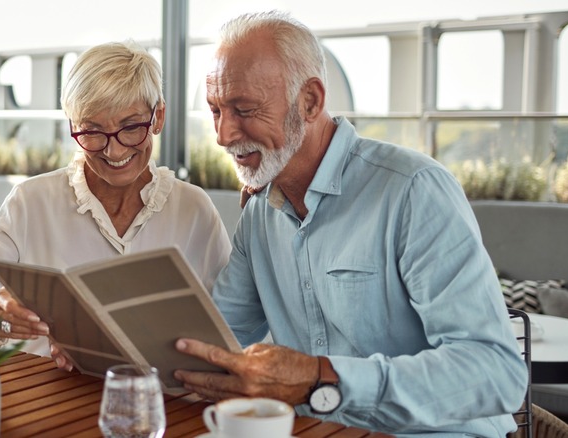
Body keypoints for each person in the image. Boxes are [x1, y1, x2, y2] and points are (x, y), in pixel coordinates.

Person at [173, 11, 528, 436]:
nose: (223, 134)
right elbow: (216, 342)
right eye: (214, 111)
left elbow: (496, 372)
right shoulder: (258, 215)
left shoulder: (414, 190)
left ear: (310, 102)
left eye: (244, 109)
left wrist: (318, 377)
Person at [0, 41, 232, 368]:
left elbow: (231, 329)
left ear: (158, 117)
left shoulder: (193, 211)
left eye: (131, 127)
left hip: (162, 404)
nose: (114, 151)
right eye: (92, 131)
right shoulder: (30, 203)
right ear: (72, 126)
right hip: (46, 399)